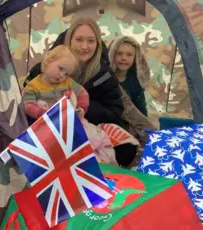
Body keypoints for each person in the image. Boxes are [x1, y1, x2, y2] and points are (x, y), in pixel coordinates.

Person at [23, 17, 137, 166]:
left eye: (91, 41)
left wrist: (83, 109)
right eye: (79, 39)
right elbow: (23, 105)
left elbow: (116, 113)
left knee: (127, 147)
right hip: (50, 130)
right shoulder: (42, 71)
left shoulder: (104, 75)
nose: (84, 46)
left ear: (97, 45)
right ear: (69, 40)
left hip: (88, 127)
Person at [108, 36, 150, 117]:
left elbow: (141, 110)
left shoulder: (136, 83)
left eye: (129, 55)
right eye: (119, 53)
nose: (124, 58)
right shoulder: (105, 79)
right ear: (112, 55)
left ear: (135, 58)